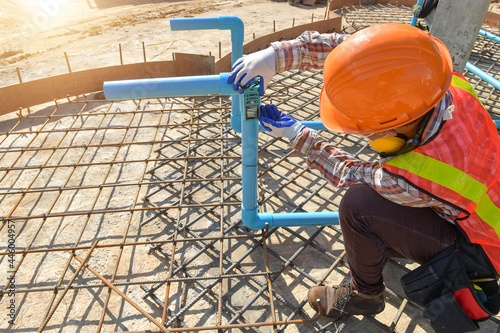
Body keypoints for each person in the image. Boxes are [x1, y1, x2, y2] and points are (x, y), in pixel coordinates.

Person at [228, 22, 500, 324]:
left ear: (394, 127)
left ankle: (364, 294)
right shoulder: (435, 77)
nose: (366, 136)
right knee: (376, 209)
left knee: (359, 206)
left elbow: (349, 172)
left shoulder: (417, 176)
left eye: (368, 129)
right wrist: (277, 56)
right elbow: (362, 55)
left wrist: (297, 134)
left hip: (482, 249)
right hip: (475, 206)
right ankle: (383, 247)